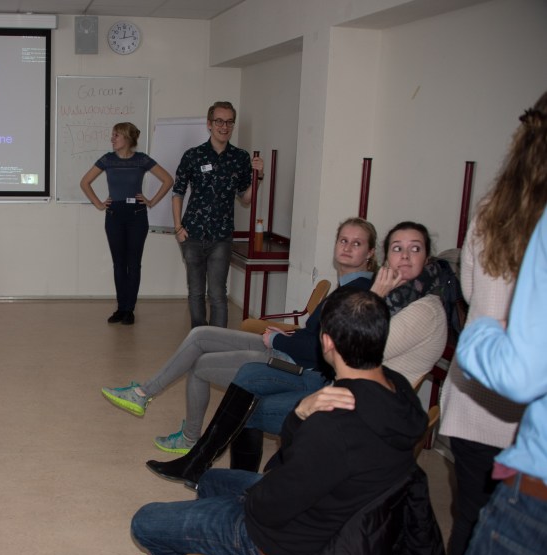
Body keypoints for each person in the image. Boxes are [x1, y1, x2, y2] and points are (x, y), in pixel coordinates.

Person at [131, 288, 428, 555]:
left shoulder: (332, 425)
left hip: (284, 548)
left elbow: (268, 505)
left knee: (145, 522)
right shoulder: (400, 391)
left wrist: (297, 421)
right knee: (212, 480)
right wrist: (301, 416)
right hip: (341, 524)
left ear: (326, 342)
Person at [146, 220, 449, 486]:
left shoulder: (423, 309)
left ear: (426, 257)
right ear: (386, 256)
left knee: (246, 408)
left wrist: (375, 297)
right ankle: (206, 470)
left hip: (359, 409)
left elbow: (349, 351)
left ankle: (208, 471)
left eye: (415, 249)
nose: (404, 256)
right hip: (341, 388)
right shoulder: (397, 298)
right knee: (247, 377)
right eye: (397, 248)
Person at [101, 217, 378, 455]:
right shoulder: (350, 286)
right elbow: (313, 335)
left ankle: (186, 436)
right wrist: (283, 336)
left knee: (199, 365)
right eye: (343, 240)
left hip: (293, 365)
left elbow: (320, 350)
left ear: (370, 253)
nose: (347, 247)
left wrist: (278, 340)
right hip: (288, 349)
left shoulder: (355, 295)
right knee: (199, 335)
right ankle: (143, 394)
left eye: (356, 243)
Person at [438, 94, 547, 555]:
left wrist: (483, 324)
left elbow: (468, 290)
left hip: (474, 396)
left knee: (469, 520)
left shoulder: (490, 210)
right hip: (520, 412)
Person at [172, 101, 264, 328]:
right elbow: (178, 193)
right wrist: (178, 227)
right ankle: (199, 336)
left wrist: (259, 177)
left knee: (217, 293)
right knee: (196, 292)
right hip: (192, 233)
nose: (224, 126)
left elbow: (246, 198)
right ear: (209, 124)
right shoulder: (193, 155)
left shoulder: (240, 157)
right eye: (219, 121)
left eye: (229, 122)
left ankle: (218, 340)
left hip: (221, 236)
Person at [80, 122, 174, 325]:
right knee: (119, 263)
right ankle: (121, 308)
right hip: (114, 216)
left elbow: (168, 180)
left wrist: (151, 201)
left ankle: (129, 309)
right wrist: (99, 204)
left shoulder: (142, 160)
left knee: (134, 263)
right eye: (112, 135)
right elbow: (84, 182)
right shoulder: (107, 159)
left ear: (128, 138)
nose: (112, 139)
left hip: (137, 216)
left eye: (116, 135)